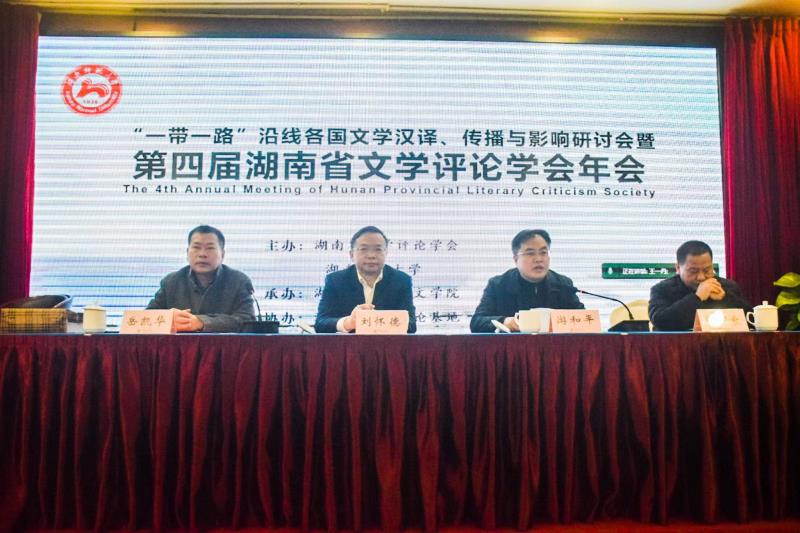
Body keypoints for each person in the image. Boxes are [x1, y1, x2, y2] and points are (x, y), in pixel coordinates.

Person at [470, 229, 584, 333]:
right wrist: (505, 321)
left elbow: (585, 320)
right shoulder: (498, 285)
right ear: (516, 259)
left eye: (543, 252)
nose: (538, 259)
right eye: (530, 253)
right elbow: (477, 322)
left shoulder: (563, 284)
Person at [147, 225, 256, 332]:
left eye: (210, 248)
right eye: (196, 247)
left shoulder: (239, 281)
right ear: (187, 253)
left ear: (222, 254)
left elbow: (247, 321)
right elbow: (146, 318)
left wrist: (202, 322)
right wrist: (168, 318)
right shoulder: (171, 282)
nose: (202, 254)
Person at [315, 226, 416, 333]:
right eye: (363, 249)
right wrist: (348, 323)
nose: (371, 255)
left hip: (388, 343)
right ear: (351, 254)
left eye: (378, 249)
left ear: (386, 253)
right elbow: (321, 323)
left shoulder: (401, 281)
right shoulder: (336, 280)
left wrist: (375, 320)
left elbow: (411, 325)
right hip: (348, 344)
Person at [648, 240, 753, 331]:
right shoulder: (662, 289)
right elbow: (660, 321)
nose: (701, 277)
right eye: (693, 271)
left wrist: (725, 298)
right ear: (678, 268)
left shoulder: (727, 286)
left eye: (707, 270)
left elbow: (751, 321)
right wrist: (697, 297)